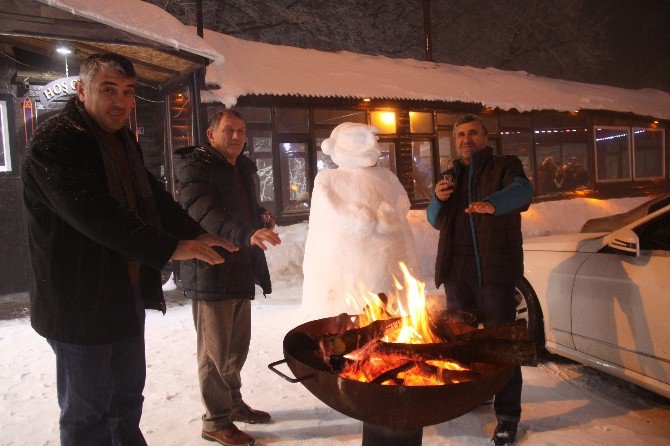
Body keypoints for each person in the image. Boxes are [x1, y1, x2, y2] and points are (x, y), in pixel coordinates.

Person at [22, 53, 237, 446]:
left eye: (128, 92)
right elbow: (95, 216)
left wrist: (194, 232)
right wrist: (173, 245)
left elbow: (152, 197)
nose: (121, 102)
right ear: (81, 90)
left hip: (123, 296)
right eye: (108, 90)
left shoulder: (122, 139)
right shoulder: (56, 143)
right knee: (88, 414)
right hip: (77, 304)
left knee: (125, 401)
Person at [175, 109, 281, 446]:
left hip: (239, 267)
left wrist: (259, 216)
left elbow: (240, 208)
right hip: (210, 268)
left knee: (236, 348)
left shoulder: (242, 167)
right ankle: (215, 421)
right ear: (211, 135)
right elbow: (202, 209)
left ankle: (233, 405)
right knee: (214, 353)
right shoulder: (197, 165)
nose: (236, 136)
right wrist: (245, 231)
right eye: (228, 130)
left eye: (240, 130)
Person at [426, 114, 533, 445]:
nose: (465, 139)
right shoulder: (451, 174)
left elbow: (523, 192)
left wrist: (491, 203)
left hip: (493, 271)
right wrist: (437, 199)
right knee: (464, 341)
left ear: (486, 137)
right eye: (460, 134)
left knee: (501, 344)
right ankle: (475, 393)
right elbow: (434, 220)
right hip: (456, 274)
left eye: (473, 133)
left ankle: (508, 415)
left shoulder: (504, 166)